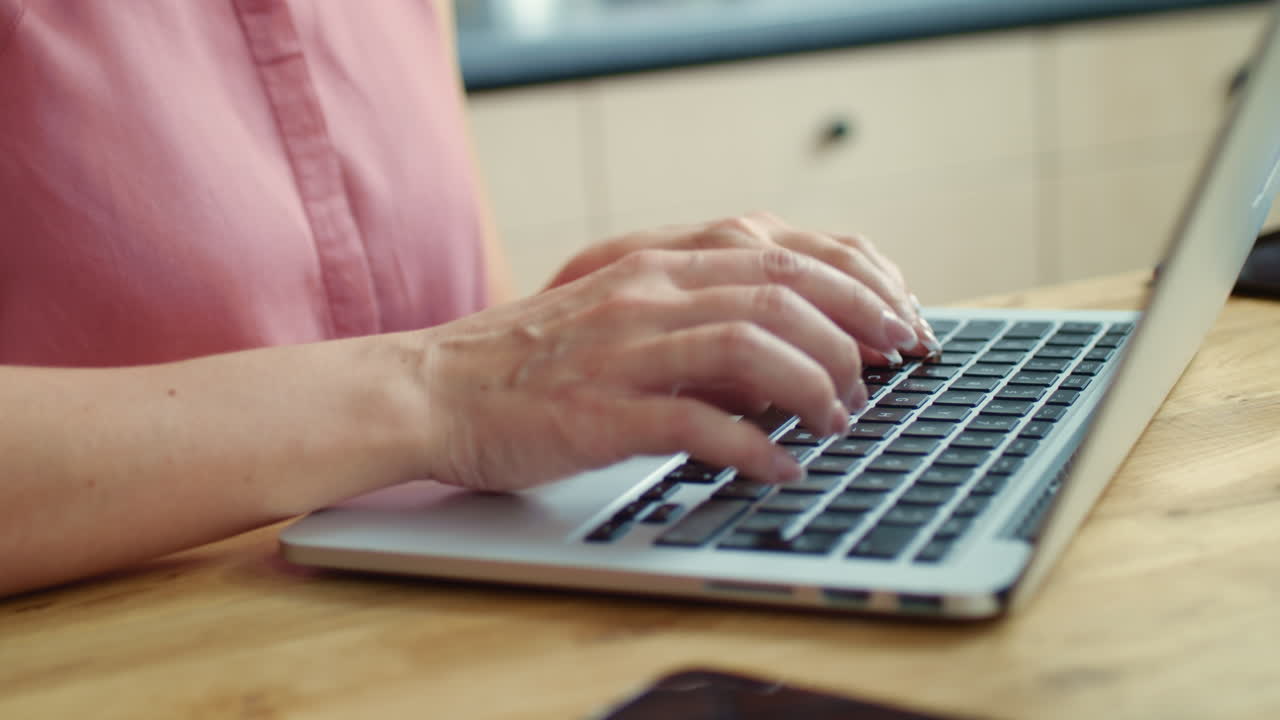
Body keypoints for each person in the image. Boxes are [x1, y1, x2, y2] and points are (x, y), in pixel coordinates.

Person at [0, 1, 940, 597]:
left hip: (446, 635)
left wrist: (576, 335)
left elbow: (454, 342)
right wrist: (441, 389)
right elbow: (428, 383)